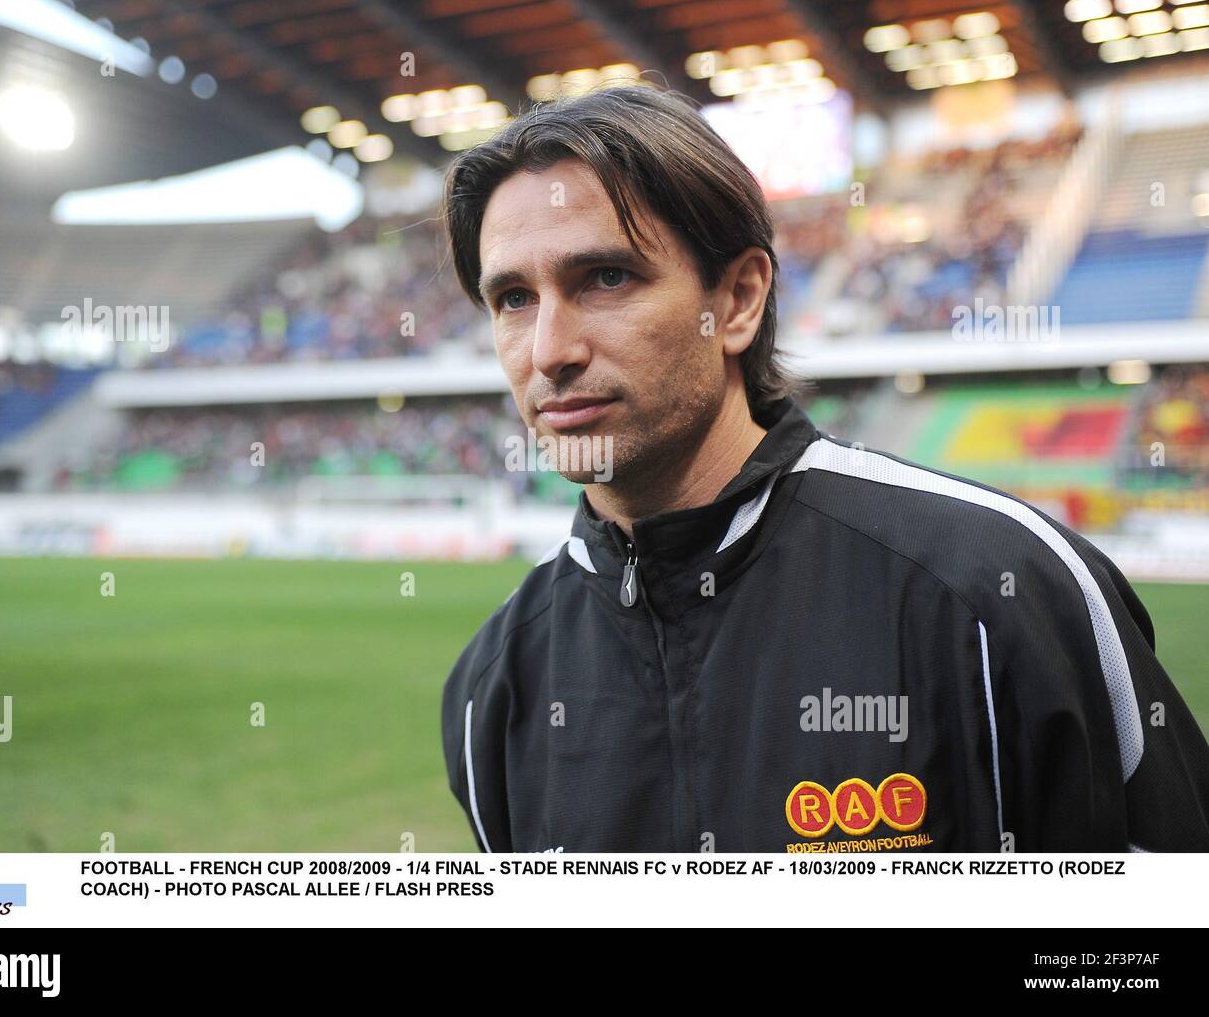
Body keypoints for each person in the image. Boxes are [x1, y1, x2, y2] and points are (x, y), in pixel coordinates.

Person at [438, 84, 1209, 853]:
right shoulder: (493, 686)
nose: (549, 350)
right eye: (512, 298)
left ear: (738, 299)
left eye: (605, 279)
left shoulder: (1003, 588)